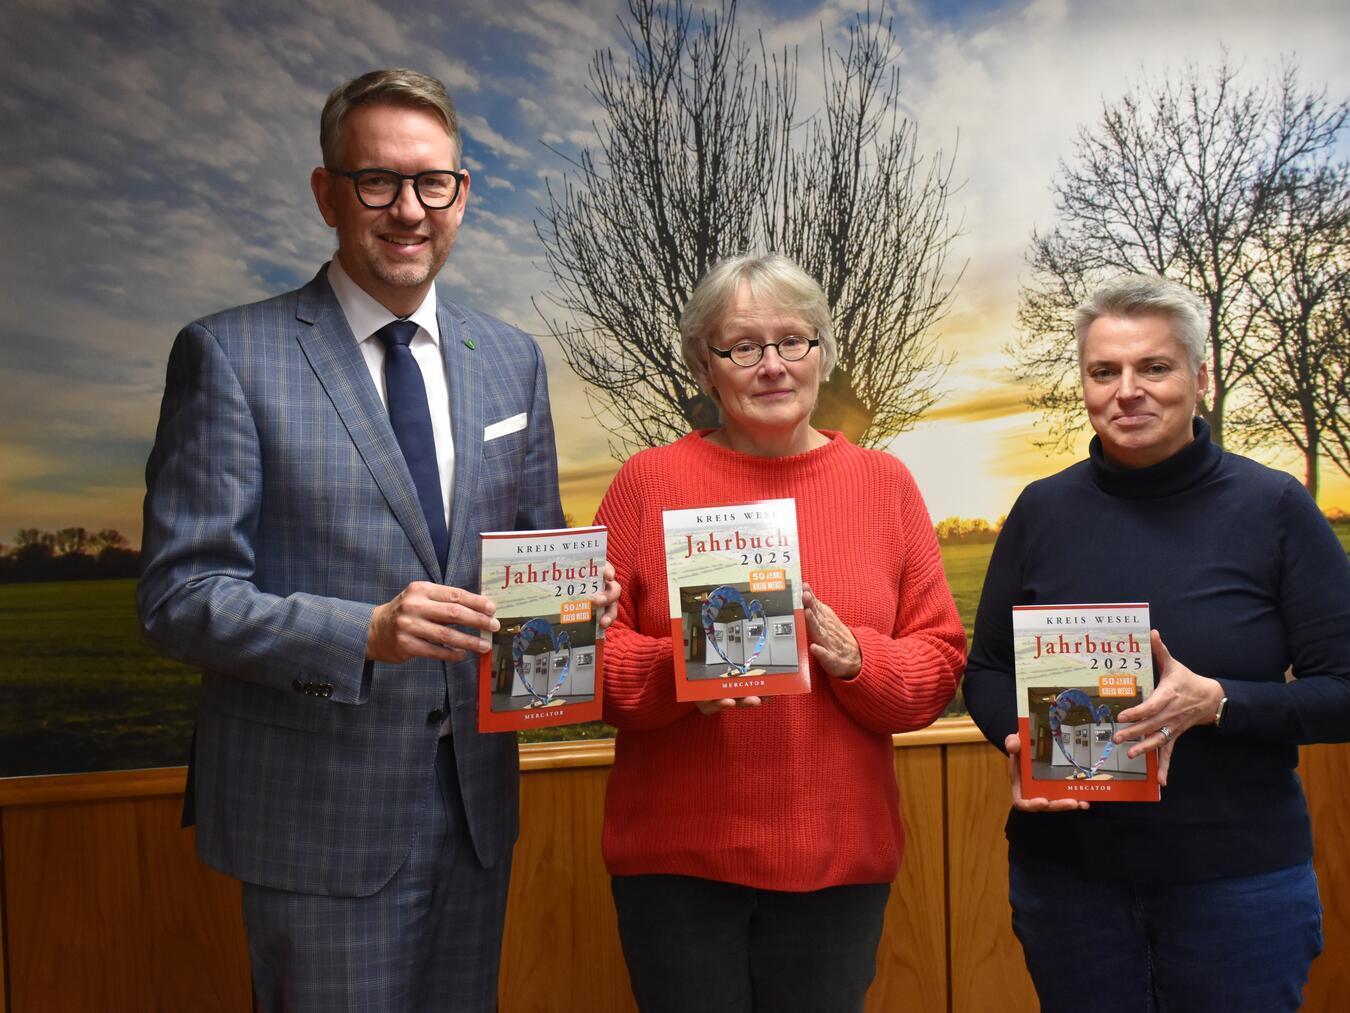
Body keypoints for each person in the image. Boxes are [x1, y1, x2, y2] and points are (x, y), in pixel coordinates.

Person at [137, 68, 615, 1012]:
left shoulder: (510, 358)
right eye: (377, 182)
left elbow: (535, 546)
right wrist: (363, 630)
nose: (408, 209)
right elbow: (179, 596)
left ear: (462, 195)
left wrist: (577, 596)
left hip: (476, 808)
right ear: (327, 193)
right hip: (317, 820)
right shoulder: (232, 353)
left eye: (431, 183)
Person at [963, 274, 1350, 1012]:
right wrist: (1017, 742)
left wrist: (1219, 703)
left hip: (1238, 887)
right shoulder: (1041, 510)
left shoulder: (1274, 506)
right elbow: (986, 669)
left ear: (1200, 378)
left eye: (1155, 367)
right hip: (1069, 885)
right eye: (1104, 371)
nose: (1127, 390)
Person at [593, 253, 966, 1012]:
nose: (772, 365)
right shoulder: (646, 481)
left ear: (822, 354)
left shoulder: (885, 484)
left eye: (793, 341)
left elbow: (938, 663)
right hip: (676, 868)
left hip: (836, 865)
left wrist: (859, 658)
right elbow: (586, 658)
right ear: (706, 366)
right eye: (742, 346)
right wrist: (681, 670)